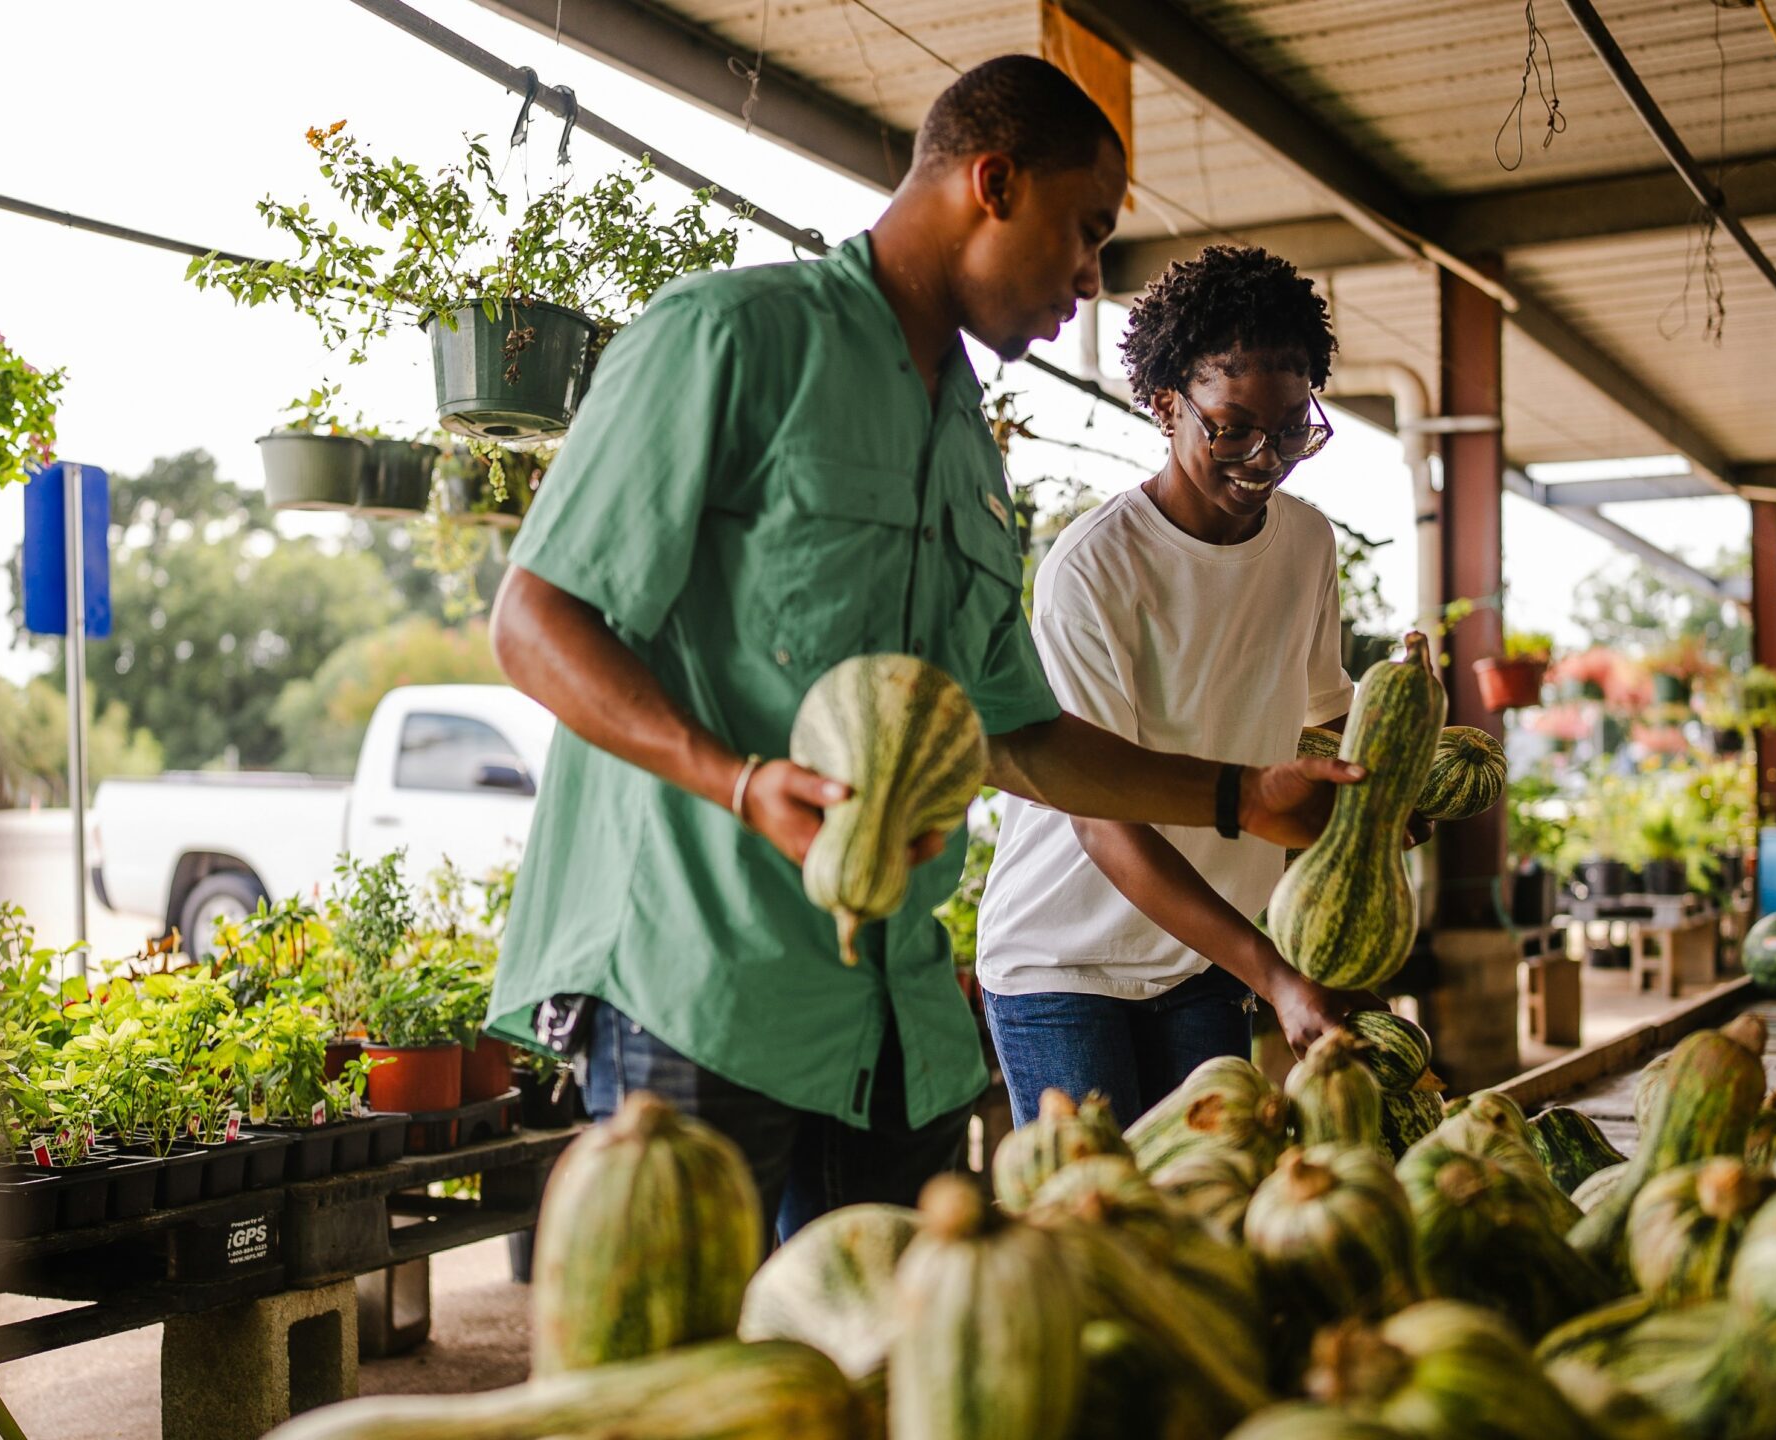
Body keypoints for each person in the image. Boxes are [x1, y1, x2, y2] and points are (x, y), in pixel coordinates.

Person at [481, 58, 1366, 1239]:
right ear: (992, 183)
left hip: (887, 1012)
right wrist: (738, 783)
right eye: (1084, 233)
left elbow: (1016, 732)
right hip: (694, 983)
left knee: (888, 1367)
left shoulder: (961, 442)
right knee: (682, 1381)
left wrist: (1240, 796)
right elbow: (535, 619)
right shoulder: (730, 338)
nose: (1090, 282)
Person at [976, 244, 1381, 1129]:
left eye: (1290, 429)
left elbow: (1327, 712)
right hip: (1064, 964)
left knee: (1206, 1222)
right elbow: (1099, 817)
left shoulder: (1306, 545)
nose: (1264, 457)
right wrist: (1273, 974)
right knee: (1101, 1233)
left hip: (1203, 959)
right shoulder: (1095, 568)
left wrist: (1389, 794)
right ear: (1165, 405)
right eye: (1232, 427)